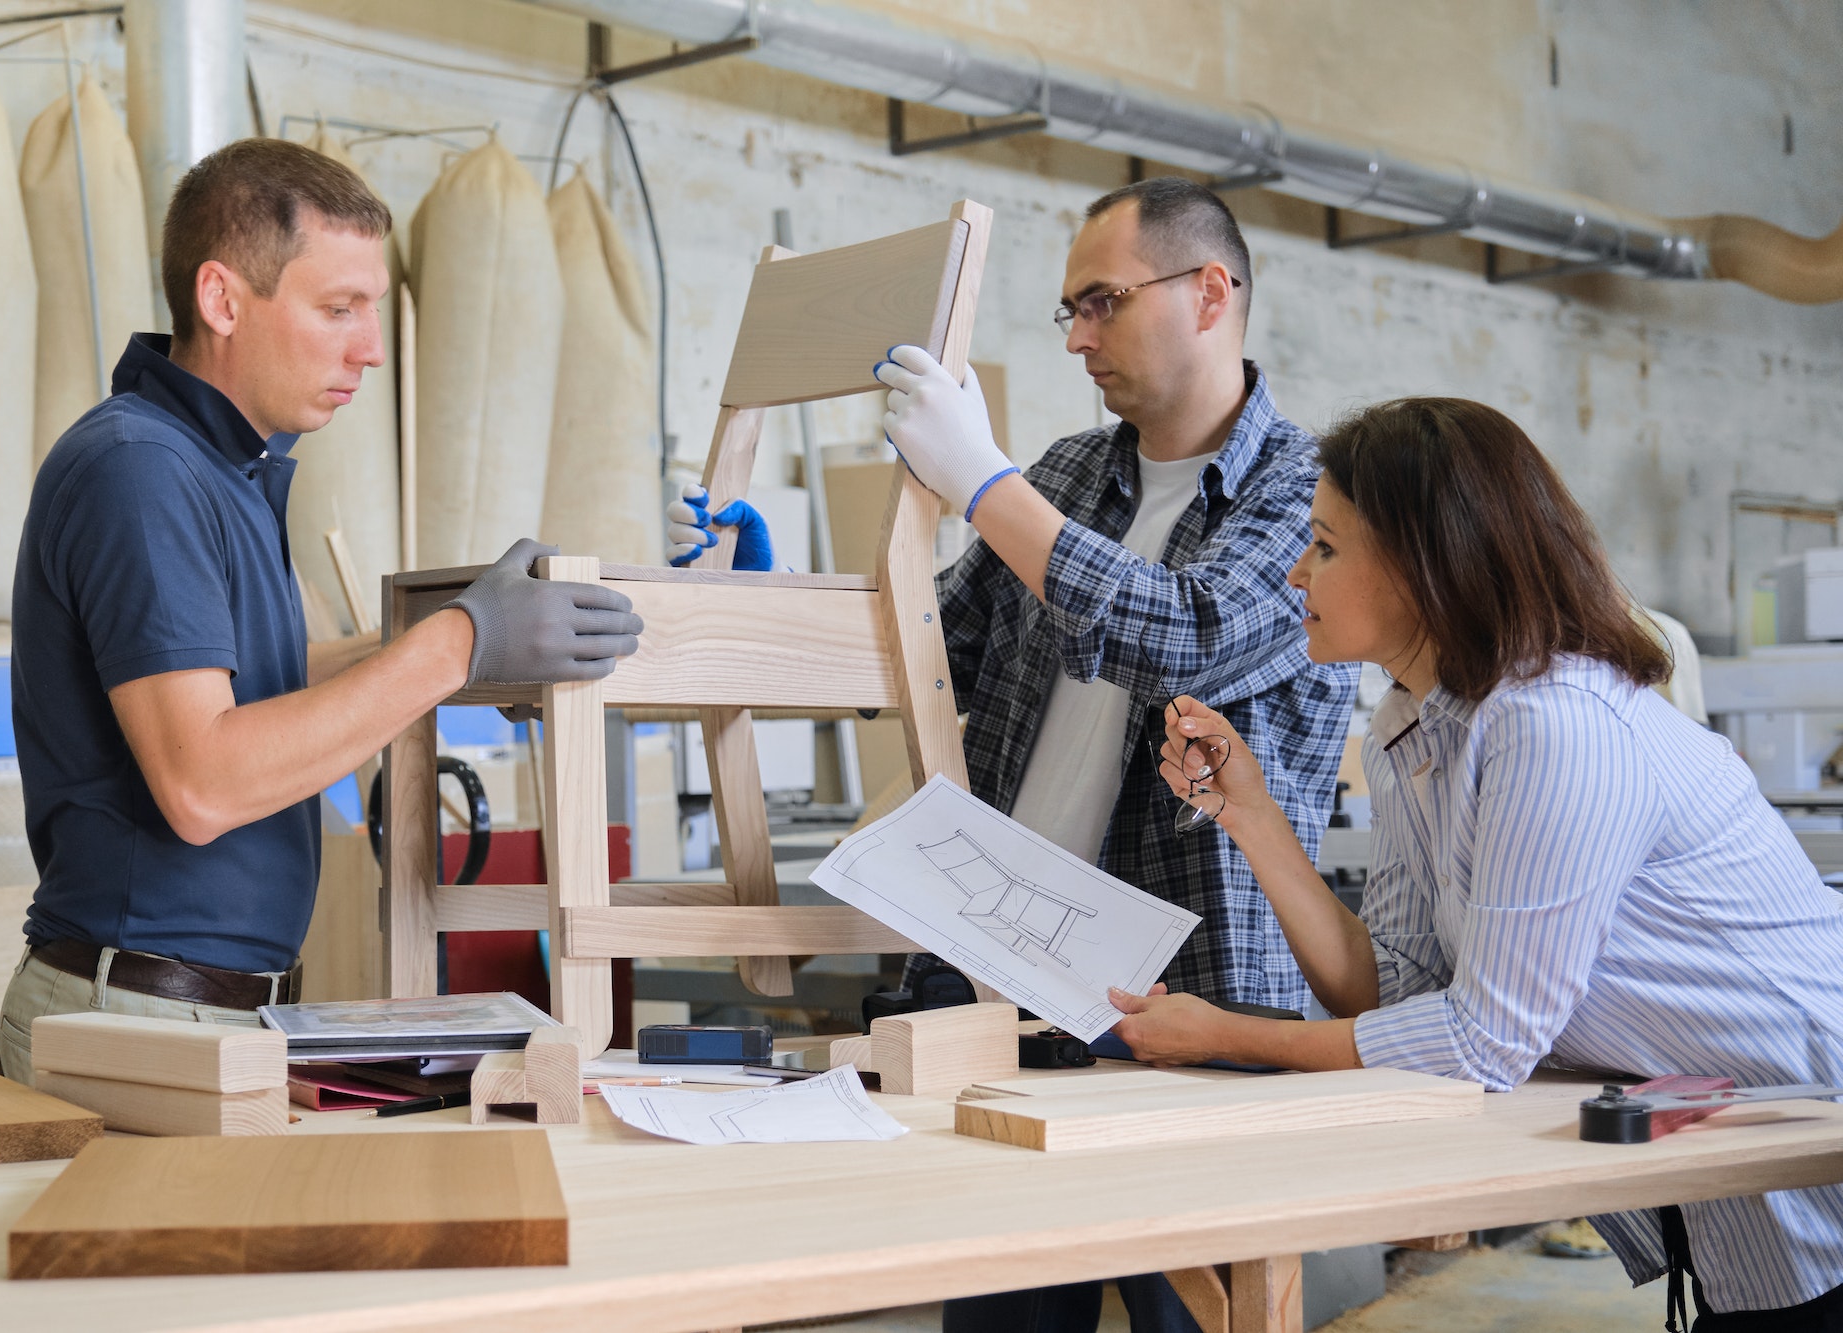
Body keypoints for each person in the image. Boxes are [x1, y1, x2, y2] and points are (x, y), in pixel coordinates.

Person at [671, 179, 1356, 1333]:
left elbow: (1178, 631)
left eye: (1102, 301)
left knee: (1195, 1313)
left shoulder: (1312, 493)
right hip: (1000, 981)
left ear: (1208, 294)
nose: (1079, 337)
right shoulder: (1070, 477)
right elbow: (926, 647)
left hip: (1192, 1011)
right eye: (1067, 311)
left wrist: (980, 484)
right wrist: (779, 588)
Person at [1118, 396, 1843, 1330]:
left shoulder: (1554, 724)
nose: (1299, 572)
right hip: (1721, 1171)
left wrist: (1224, 1034)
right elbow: (1392, 990)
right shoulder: (1408, 728)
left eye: (1326, 547)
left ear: (1428, 565)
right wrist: (1251, 816)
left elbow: (1477, 1045)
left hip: (1806, 1138)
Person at [0, 139, 642, 1084]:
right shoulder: (140, 471)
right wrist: (459, 643)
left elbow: (268, 694)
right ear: (222, 300)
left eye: (371, 310)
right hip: (133, 1013)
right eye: (337, 309)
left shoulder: (220, 468)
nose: (371, 347)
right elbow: (204, 781)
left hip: (202, 1008)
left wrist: (469, 655)